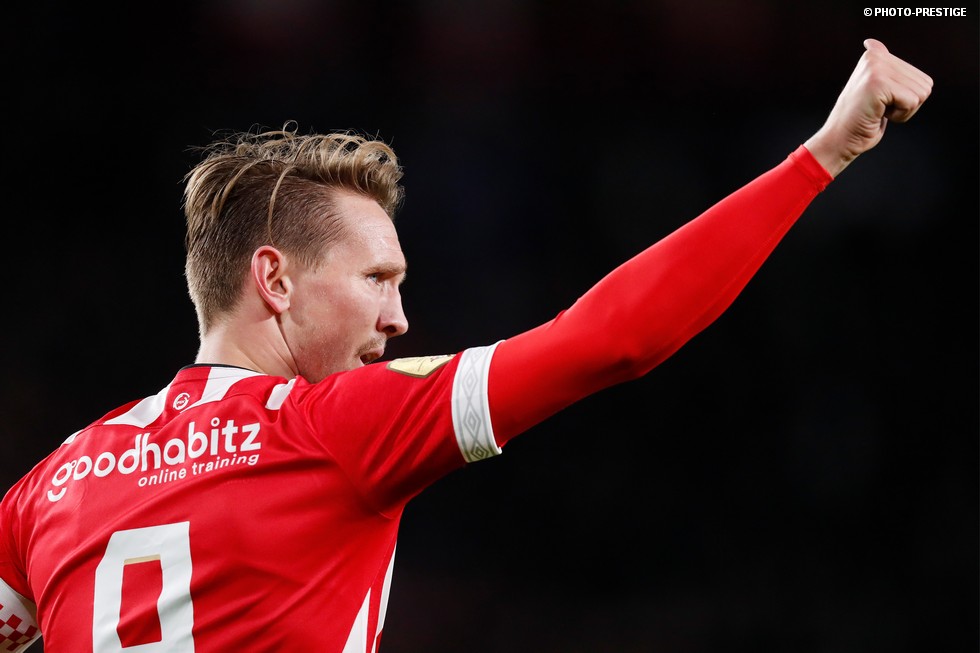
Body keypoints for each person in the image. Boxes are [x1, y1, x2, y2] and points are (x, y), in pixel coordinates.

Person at [0, 38, 931, 652]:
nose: (399, 318)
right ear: (274, 281)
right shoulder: (335, 427)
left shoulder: (51, 485)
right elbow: (613, 338)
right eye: (377, 279)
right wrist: (824, 155)